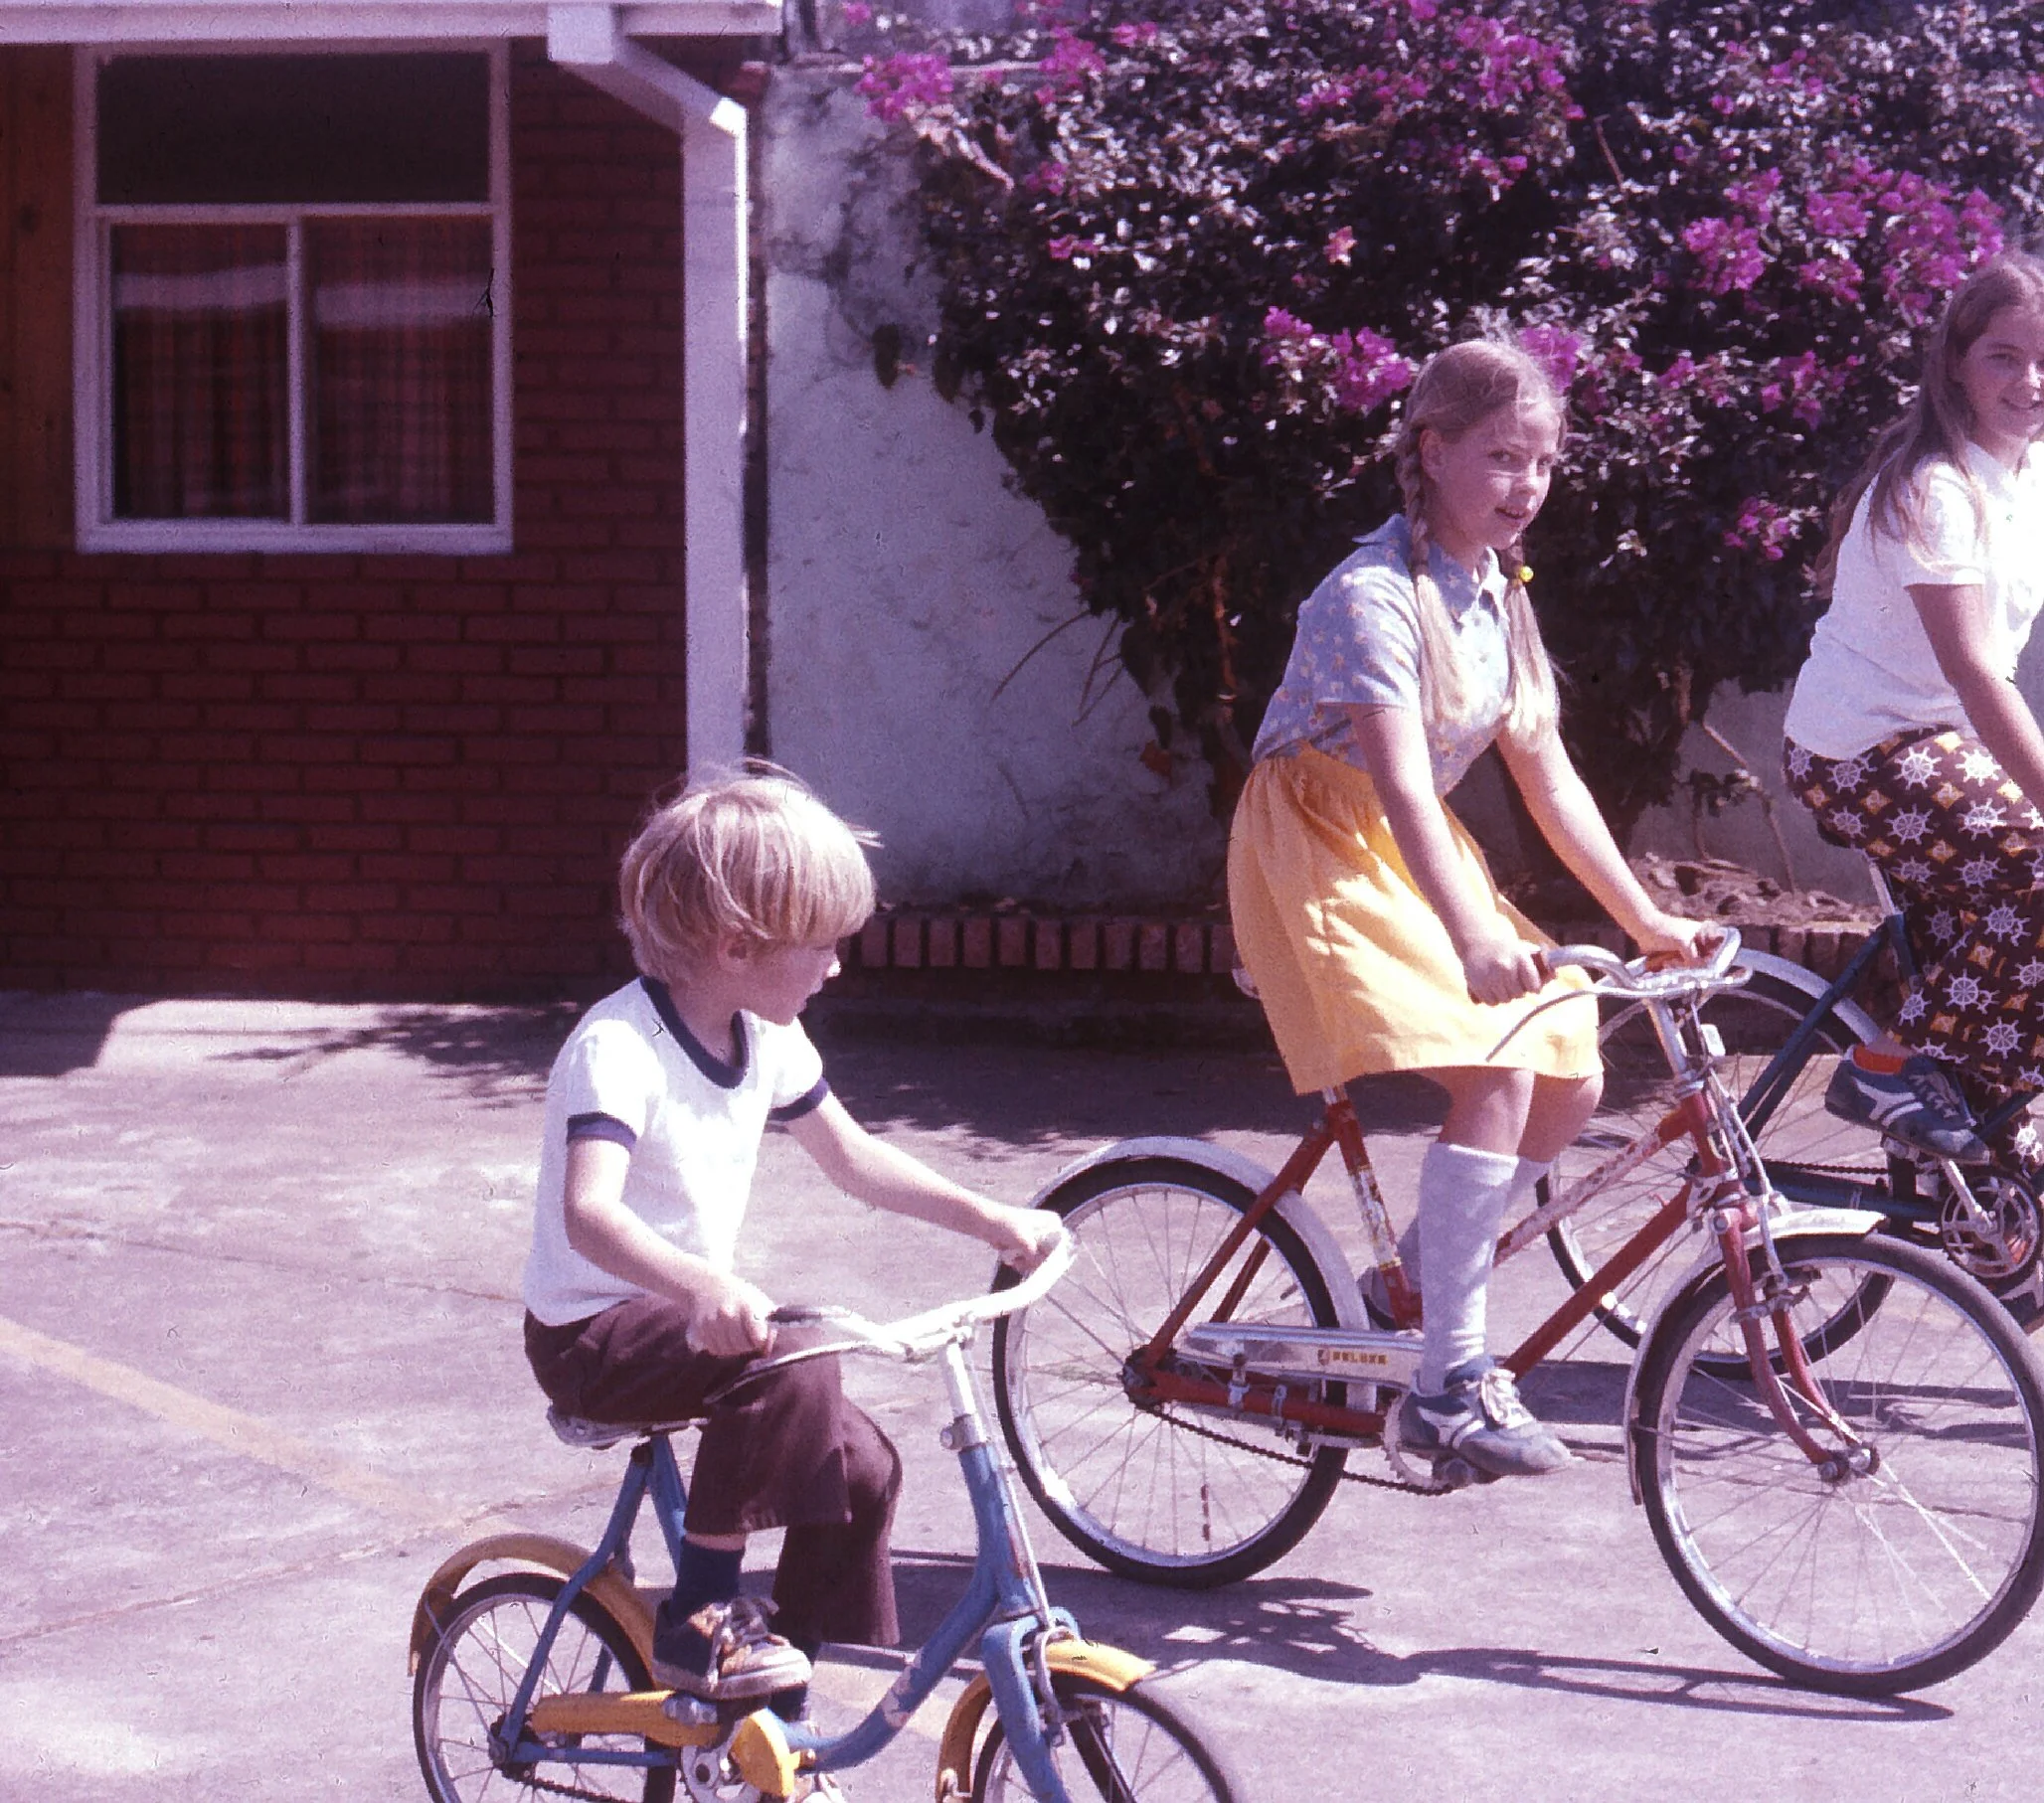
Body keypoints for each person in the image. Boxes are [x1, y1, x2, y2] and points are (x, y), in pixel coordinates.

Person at [1228, 334, 1711, 1481]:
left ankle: (1414, 1278)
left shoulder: (1495, 595)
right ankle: (1447, 1382)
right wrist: (1473, 935)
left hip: (1401, 842)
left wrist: (1644, 916)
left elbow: (1547, 777)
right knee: (1492, 1066)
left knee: (1573, 1069)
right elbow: (1398, 781)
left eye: (1542, 462)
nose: (1526, 486)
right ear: (1430, 451)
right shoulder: (1370, 593)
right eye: (1500, 457)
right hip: (1314, 842)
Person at [521, 766, 1062, 1730]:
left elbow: (853, 1158)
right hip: (591, 1335)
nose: (835, 967)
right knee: (797, 1351)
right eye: (822, 946)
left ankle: (778, 1671)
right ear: (736, 945)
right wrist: (703, 1283)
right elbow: (590, 1212)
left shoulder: (766, 1036)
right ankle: (700, 1621)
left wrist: (992, 1218)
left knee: (861, 1460)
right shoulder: (620, 1047)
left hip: (683, 1321)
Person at [1785, 252, 2044, 1176]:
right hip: (1864, 750)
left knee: (2002, 996)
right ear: (1957, 366)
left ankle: (1983, 1226)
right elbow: (1977, 673)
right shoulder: (1937, 488)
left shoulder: (2029, 473)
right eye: (2005, 357)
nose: (2031, 381)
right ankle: (1886, 1069)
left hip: (1942, 749)